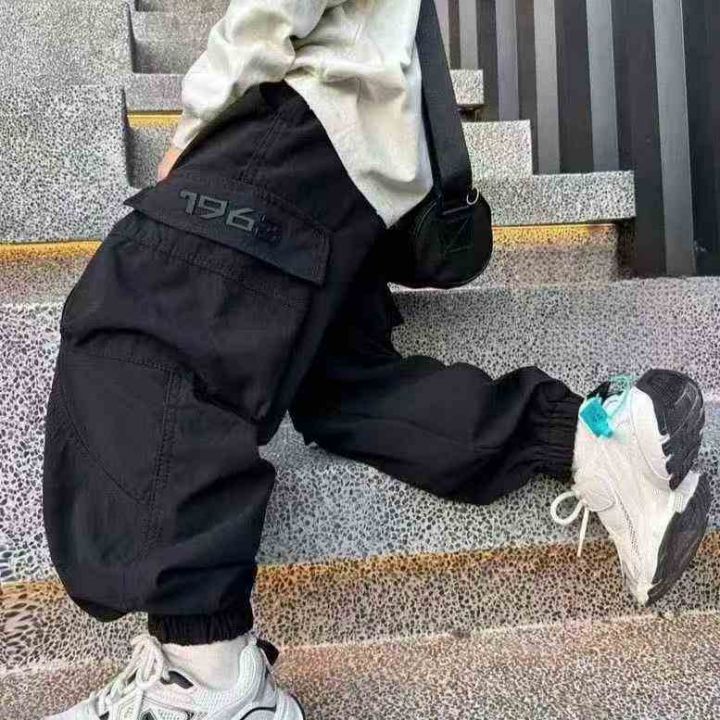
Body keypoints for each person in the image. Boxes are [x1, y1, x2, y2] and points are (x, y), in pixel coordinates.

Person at [42, 1, 709, 718]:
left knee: (138, 318)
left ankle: (208, 675)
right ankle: (593, 438)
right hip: (362, 161)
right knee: (338, 388)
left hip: (301, 117)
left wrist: (197, 123)